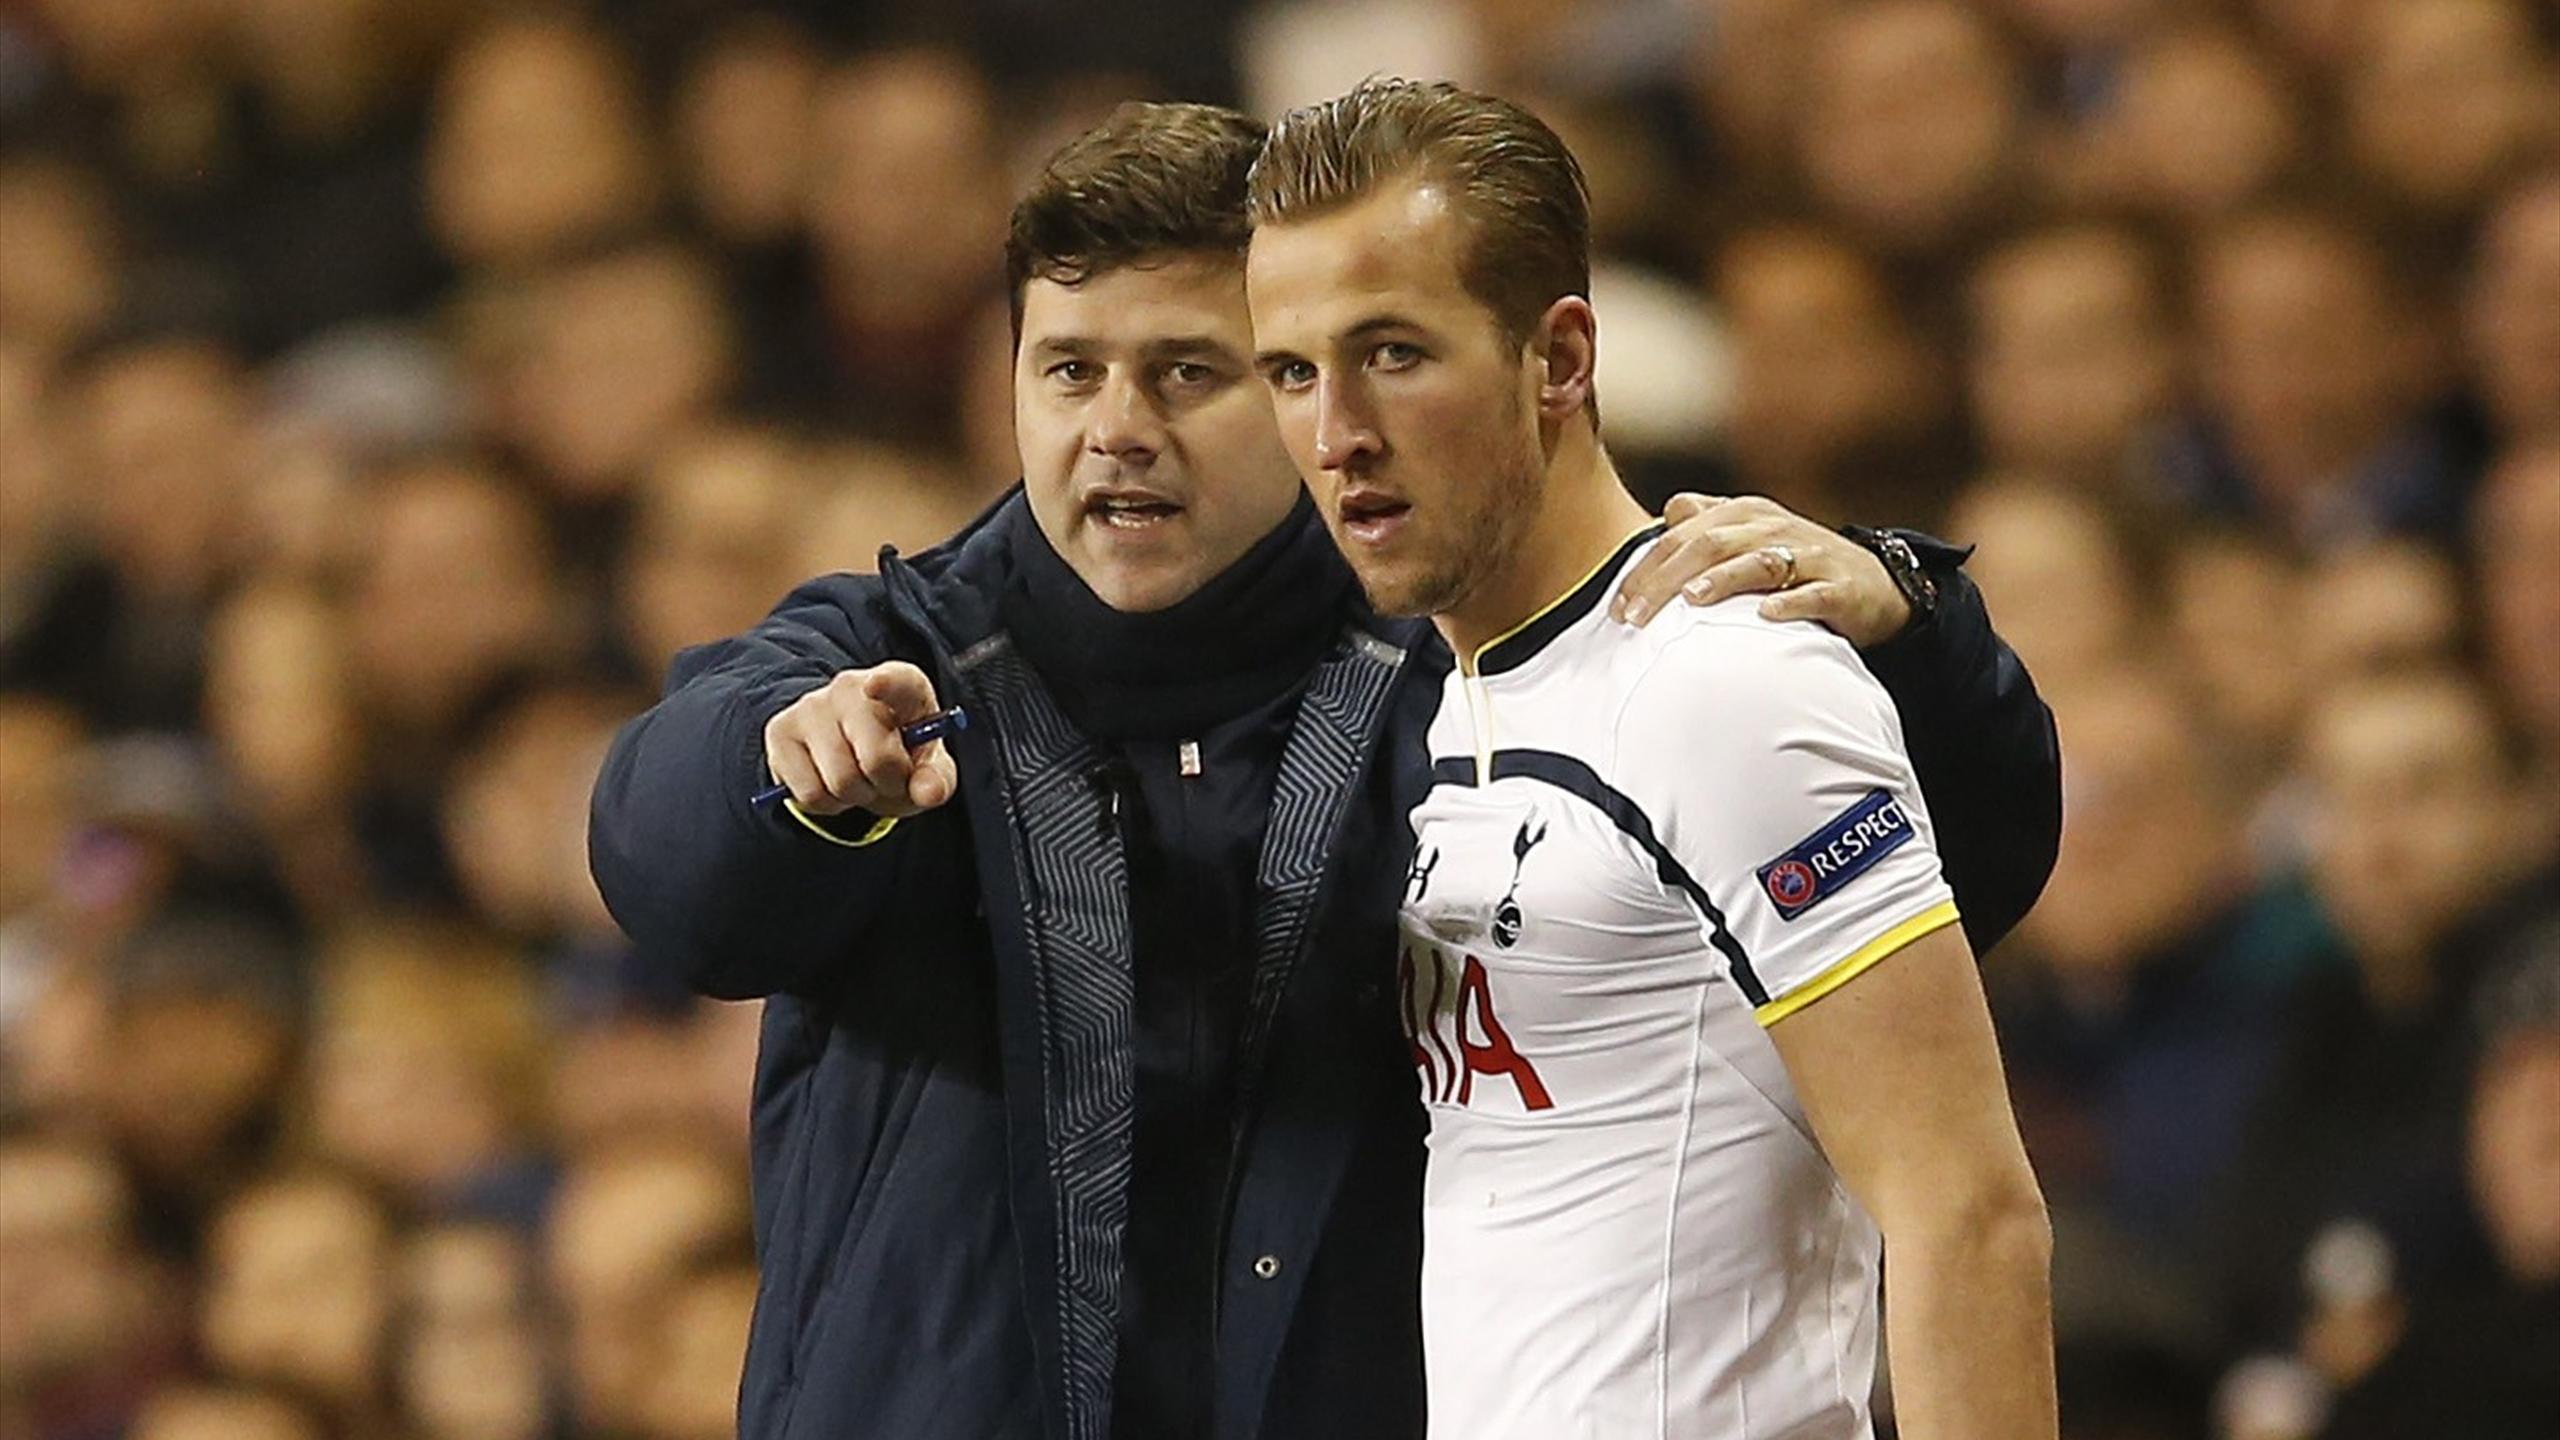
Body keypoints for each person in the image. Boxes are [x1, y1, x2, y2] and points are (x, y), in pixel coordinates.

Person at [591, 100, 2060, 1440]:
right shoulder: (896, 667)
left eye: (1192, 373)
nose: (1118, 432)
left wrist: (1907, 628)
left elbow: (1929, 921)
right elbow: (673, 874)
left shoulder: (1477, 663)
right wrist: (780, 787)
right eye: (1070, 372)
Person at [1242, 79, 2056, 1438]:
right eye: (1292, 372)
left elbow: (1968, 1215)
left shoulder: (1725, 681)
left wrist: (1920, 611)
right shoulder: (1445, 701)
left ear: (1559, 360)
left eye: (1393, 353)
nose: (1336, 435)